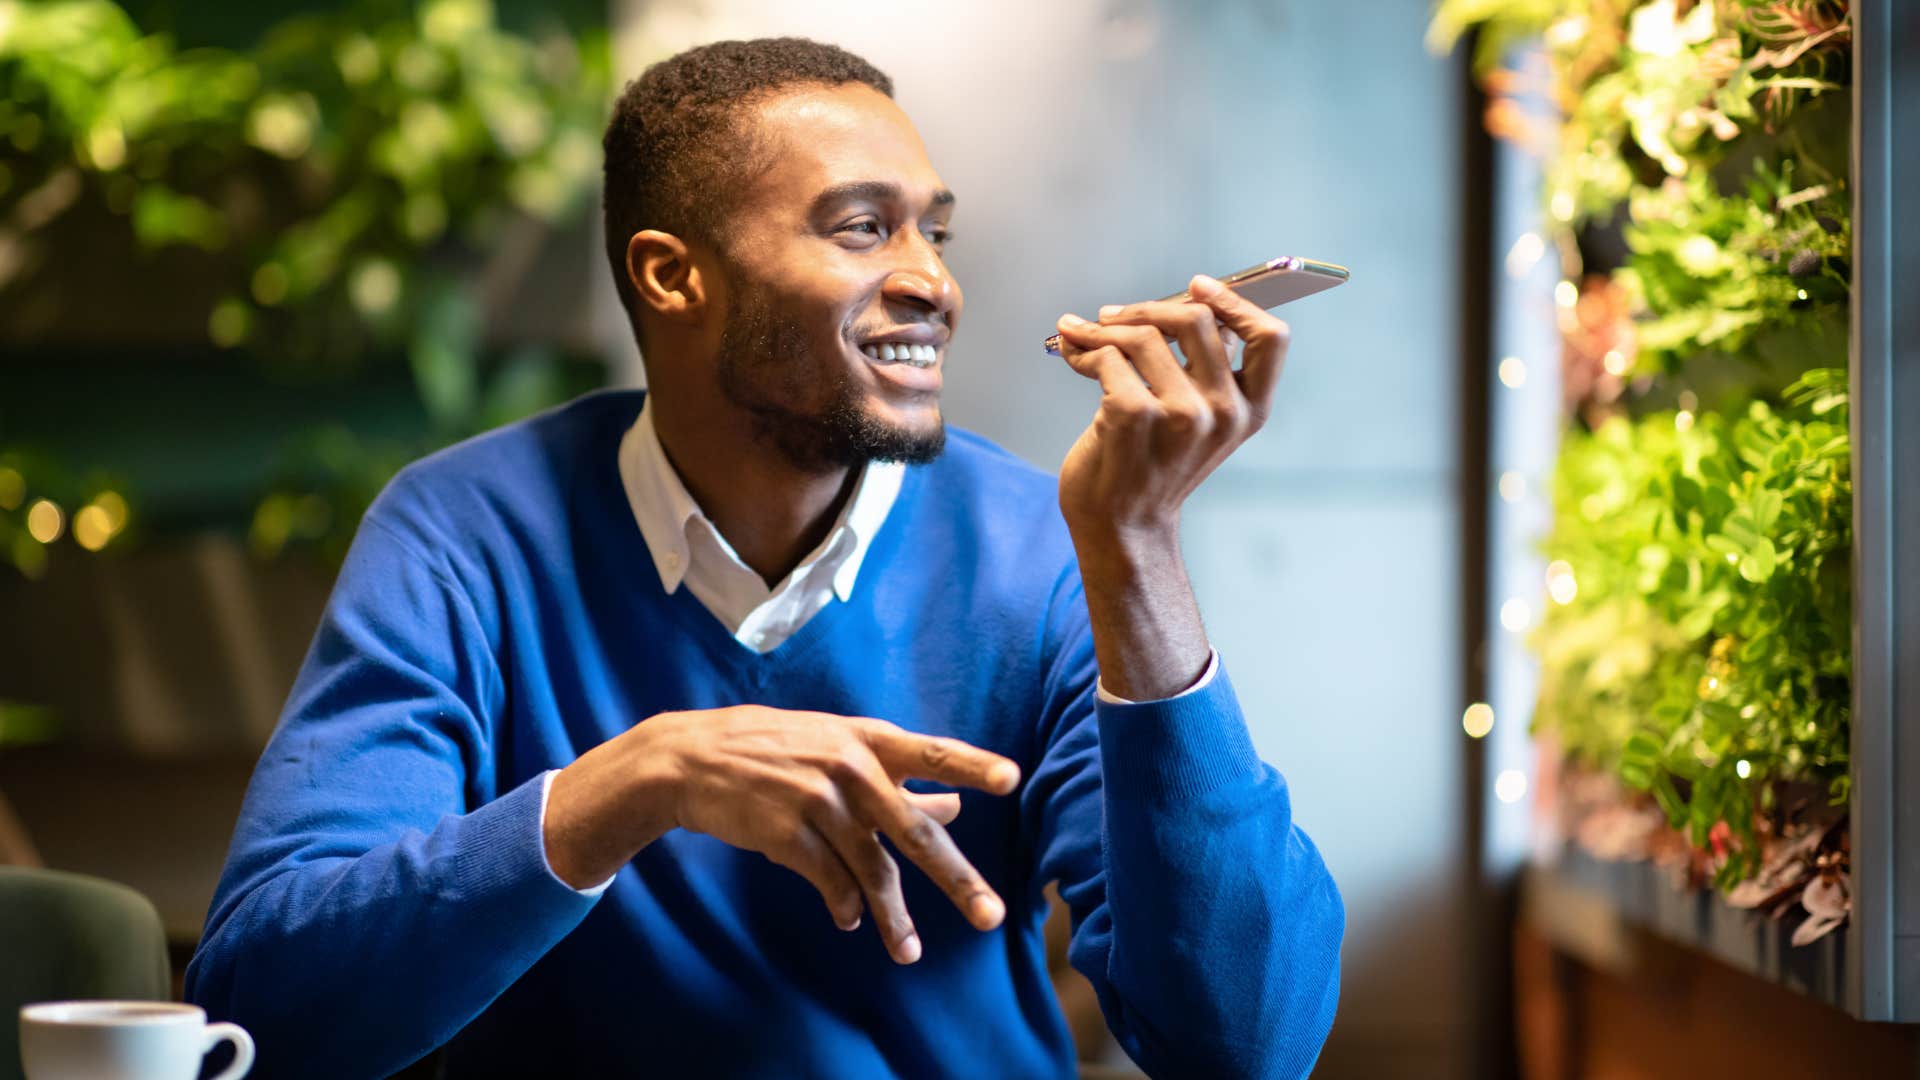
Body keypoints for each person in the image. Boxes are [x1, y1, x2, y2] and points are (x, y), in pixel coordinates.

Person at [186, 37, 1344, 1079]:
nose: (933, 282)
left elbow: (1245, 1046)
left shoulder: (1044, 550)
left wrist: (1137, 552)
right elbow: (265, 1007)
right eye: (862, 228)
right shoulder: (465, 534)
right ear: (671, 275)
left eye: (933, 231)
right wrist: (632, 784)